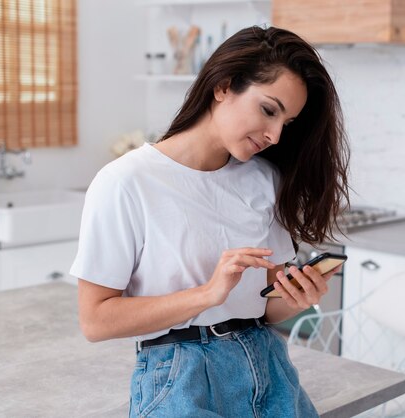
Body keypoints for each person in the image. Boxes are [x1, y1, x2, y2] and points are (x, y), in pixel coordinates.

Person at [71, 25, 350, 417]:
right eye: (268, 110)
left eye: (285, 124)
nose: (274, 135)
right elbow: (95, 320)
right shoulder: (125, 182)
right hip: (179, 375)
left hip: (267, 363)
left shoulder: (265, 181)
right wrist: (207, 294)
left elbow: (266, 309)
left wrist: (297, 299)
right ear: (223, 86)